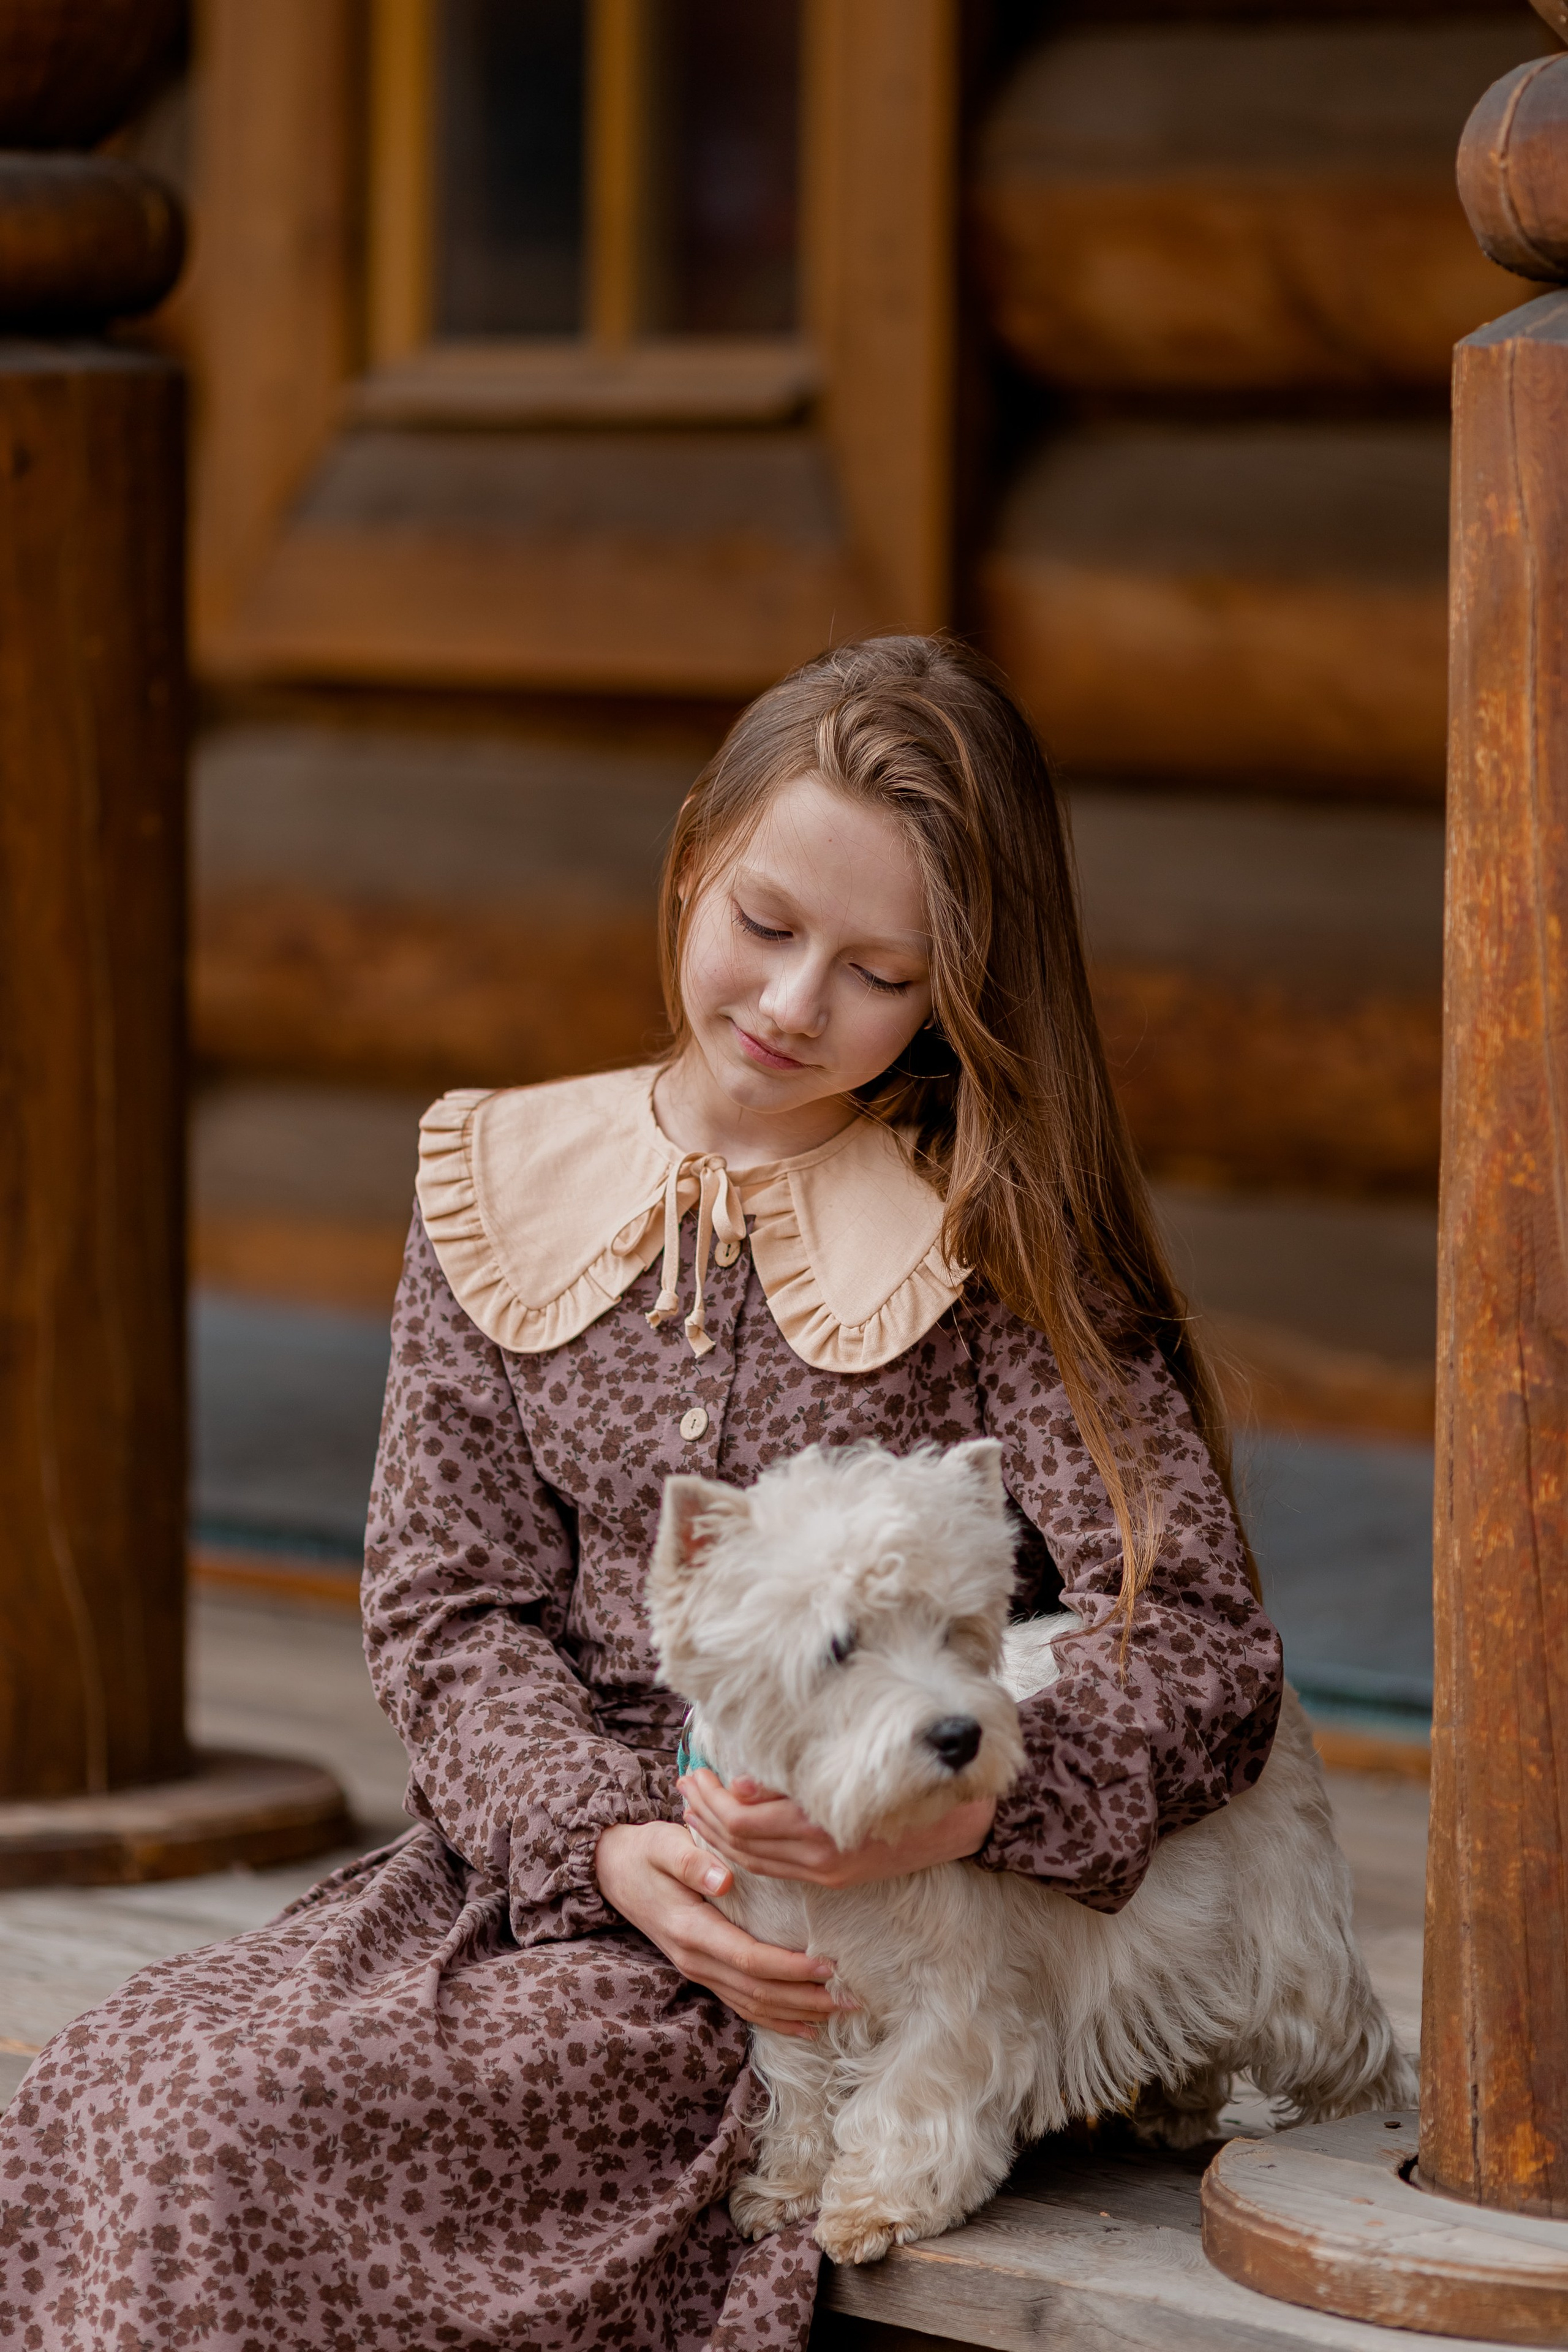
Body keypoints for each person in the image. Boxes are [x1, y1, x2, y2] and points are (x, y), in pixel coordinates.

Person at [0, 637, 1281, 2351]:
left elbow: (1197, 1632)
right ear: (694, 859)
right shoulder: (499, 1183)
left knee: (237, 2138)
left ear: (967, 990)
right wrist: (599, 1837)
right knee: (118, 2084)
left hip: (821, 1970)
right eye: (764, 924)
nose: (793, 1004)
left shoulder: (992, 1231)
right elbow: (449, 1610)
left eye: (880, 973)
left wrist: (985, 1809)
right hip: (529, 1877)